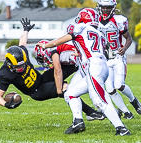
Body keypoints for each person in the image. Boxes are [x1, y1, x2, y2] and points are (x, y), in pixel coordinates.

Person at [36, 8, 130, 136]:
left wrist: (46, 45)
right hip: (101, 65)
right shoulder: (99, 33)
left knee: (99, 101)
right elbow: (98, 50)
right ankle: (78, 121)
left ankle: (121, 129)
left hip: (93, 66)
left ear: (82, 18)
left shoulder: (80, 27)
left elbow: (58, 41)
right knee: (70, 94)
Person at [0, 18, 104, 121]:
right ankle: (90, 112)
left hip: (41, 78)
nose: (21, 68)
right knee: (65, 88)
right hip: (37, 91)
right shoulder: (5, 74)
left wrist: (26, 30)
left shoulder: (22, 54)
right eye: (18, 67)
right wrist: (6, 104)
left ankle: (93, 75)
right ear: (9, 65)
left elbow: (22, 42)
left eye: (23, 64)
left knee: (73, 65)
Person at [34, 40, 105, 121]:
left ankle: (90, 114)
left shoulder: (53, 50)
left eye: (42, 58)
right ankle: (91, 112)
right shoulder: (59, 48)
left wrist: (59, 89)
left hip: (86, 66)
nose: (44, 61)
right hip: (81, 64)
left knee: (70, 92)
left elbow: (58, 70)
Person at [97, 0, 141, 119]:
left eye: (108, 7)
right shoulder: (95, 21)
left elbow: (129, 39)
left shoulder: (118, 20)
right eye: (103, 7)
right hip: (105, 60)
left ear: (113, 7)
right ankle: (126, 112)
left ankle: (134, 101)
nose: (105, 9)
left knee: (119, 85)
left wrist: (124, 48)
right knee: (110, 89)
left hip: (117, 57)